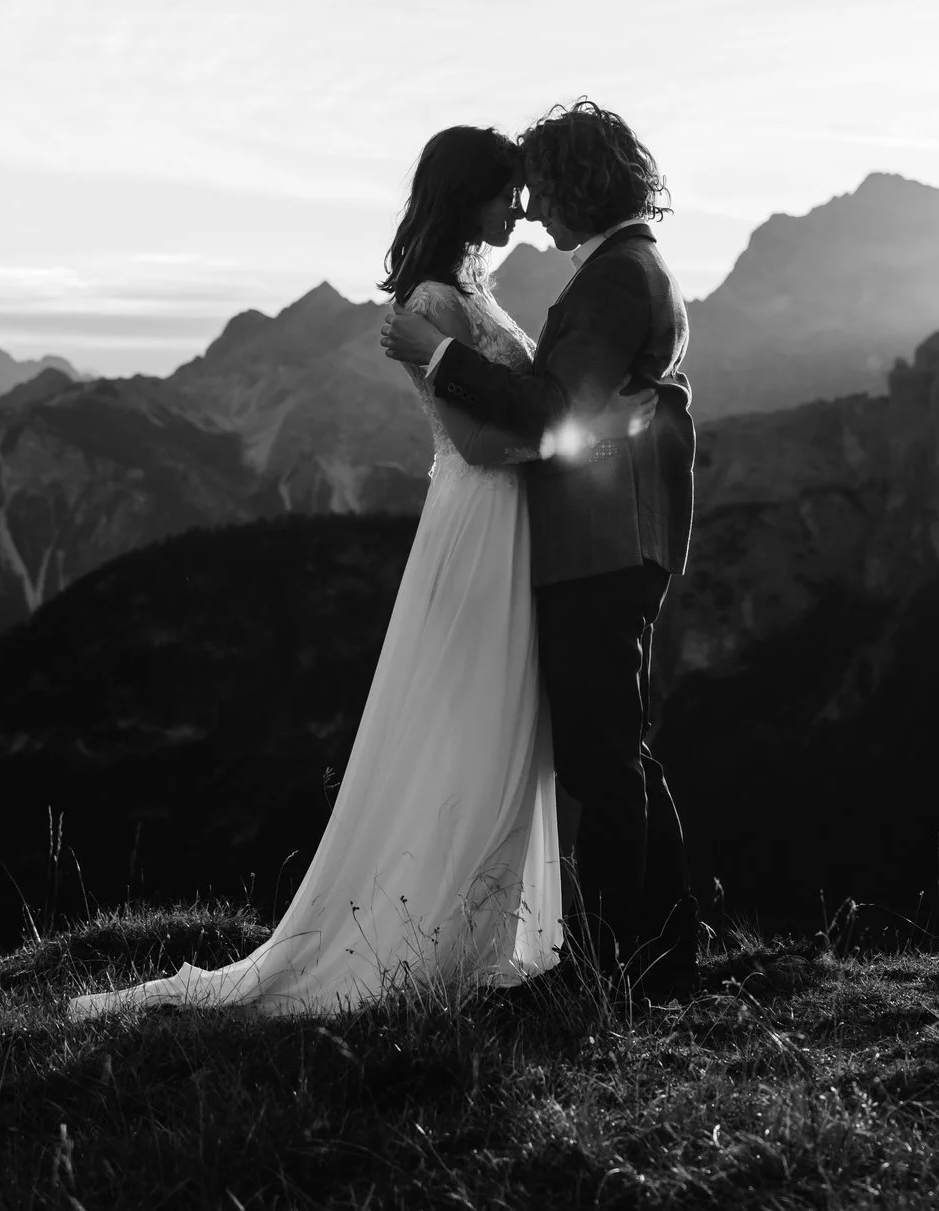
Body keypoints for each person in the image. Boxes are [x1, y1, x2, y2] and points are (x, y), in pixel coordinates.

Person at [67, 125, 641, 1017]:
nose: (517, 211)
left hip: (509, 525)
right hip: (483, 521)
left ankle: (476, 931)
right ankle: (426, 935)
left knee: (499, 723)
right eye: (502, 196)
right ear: (465, 198)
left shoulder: (465, 290)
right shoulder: (433, 305)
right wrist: (582, 440)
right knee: (471, 717)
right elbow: (484, 443)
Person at [378, 101, 698, 995]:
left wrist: (441, 359)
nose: (532, 211)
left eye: (544, 190)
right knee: (616, 749)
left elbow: (556, 412)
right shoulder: (627, 266)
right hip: (599, 536)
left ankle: (610, 962)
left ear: (581, 188)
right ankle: (659, 954)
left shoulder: (613, 278)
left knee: (604, 758)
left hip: (601, 542)